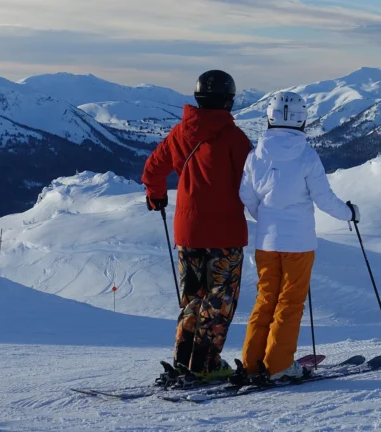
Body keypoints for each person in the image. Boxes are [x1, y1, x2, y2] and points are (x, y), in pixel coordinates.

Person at [239, 91, 359, 381]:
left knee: (265, 299)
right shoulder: (306, 155)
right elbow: (324, 198)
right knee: (290, 303)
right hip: (299, 243)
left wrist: (266, 219)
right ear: (302, 119)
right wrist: (349, 213)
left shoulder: (256, 155)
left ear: (270, 117)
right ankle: (279, 364)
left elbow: (246, 195)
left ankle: (252, 362)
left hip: (266, 243)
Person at [142, 70, 252, 379]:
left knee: (192, 298)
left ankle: (183, 361)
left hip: (187, 231)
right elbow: (252, 183)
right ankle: (206, 365)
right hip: (225, 233)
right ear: (228, 100)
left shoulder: (180, 132)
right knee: (219, 301)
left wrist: (156, 196)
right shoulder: (234, 138)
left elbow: (152, 170)